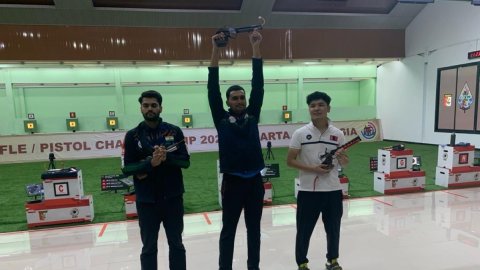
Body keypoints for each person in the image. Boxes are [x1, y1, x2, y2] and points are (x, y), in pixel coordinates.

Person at [208, 29, 265, 270]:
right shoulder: (220, 118)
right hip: (232, 183)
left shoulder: (253, 116)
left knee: (254, 231)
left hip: (254, 182)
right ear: (228, 101)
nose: (240, 101)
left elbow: (258, 84)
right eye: (235, 98)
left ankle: (254, 267)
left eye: (242, 97)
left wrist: (255, 46)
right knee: (228, 231)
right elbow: (212, 88)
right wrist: (215, 50)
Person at [122, 90, 190, 270]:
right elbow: (127, 168)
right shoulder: (132, 135)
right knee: (149, 247)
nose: (150, 109)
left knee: (176, 243)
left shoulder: (174, 131)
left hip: (173, 198)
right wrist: (150, 163)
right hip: (147, 200)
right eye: (146, 105)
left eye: (154, 105)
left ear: (161, 107)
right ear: (141, 108)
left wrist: (167, 158)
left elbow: (185, 162)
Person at [286, 91, 349, 270]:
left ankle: (332, 261)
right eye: (313, 106)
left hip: (333, 190)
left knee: (334, 229)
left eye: (321, 105)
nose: (317, 108)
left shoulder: (338, 134)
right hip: (308, 192)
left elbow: (343, 161)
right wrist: (312, 169)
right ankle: (302, 263)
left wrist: (343, 159)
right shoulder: (300, 133)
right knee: (304, 231)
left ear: (328, 108)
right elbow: (290, 161)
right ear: (309, 109)